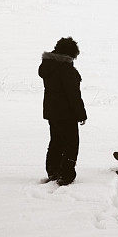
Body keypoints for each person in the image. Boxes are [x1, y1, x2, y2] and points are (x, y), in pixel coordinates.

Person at [38, 37, 87, 185]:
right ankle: (66, 174)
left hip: (52, 113)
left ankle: (53, 171)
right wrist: (81, 114)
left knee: (56, 141)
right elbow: (73, 95)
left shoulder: (49, 66)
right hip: (68, 114)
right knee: (71, 143)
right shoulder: (66, 70)